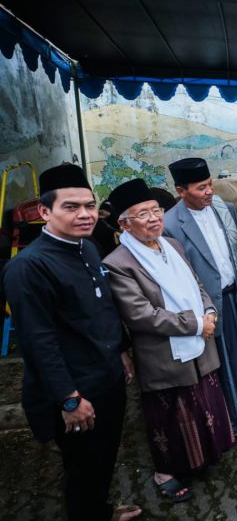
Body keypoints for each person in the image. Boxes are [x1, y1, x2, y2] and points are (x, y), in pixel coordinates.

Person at [2, 164, 141, 521]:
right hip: (78, 392)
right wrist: (68, 399)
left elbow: (104, 307)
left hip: (108, 376)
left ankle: (100, 510)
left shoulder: (88, 248)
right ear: (45, 212)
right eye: (71, 206)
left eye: (90, 205)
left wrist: (122, 350)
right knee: (82, 467)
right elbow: (38, 341)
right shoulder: (29, 267)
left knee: (104, 457)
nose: (85, 214)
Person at [103, 179, 235, 502]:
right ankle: (165, 471)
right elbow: (141, 315)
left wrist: (209, 310)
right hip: (163, 353)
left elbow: (197, 283)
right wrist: (194, 324)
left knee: (202, 404)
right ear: (124, 223)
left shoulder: (171, 245)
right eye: (142, 214)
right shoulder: (118, 263)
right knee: (169, 417)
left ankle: (201, 458)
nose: (153, 219)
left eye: (155, 210)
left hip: (198, 342)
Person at [162, 158, 237, 438]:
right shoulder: (170, 224)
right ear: (181, 191)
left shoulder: (225, 209)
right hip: (202, 312)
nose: (210, 191)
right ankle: (221, 426)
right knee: (211, 371)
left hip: (230, 300)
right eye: (201, 188)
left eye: (210, 184)